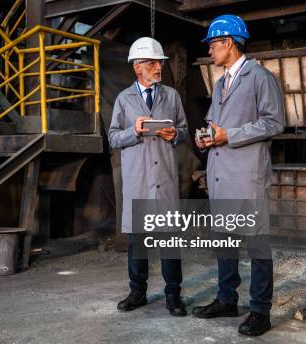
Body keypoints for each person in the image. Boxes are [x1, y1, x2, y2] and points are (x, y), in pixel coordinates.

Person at [193, 14, 285, 336]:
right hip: (220, 175)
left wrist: (227, 135)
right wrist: (204, 137)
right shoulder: (220, 83)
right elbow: (214, 124)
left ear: (229, 42)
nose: (210, 51)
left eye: (213, 45)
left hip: (247, 176)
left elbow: (274, 123)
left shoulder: (260, 77)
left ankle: (260, 311)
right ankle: (227, 299)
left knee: (257, 244)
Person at [108, 37, 189, 316]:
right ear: (137, 67)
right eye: (153, 63)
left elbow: (184, 130)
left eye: (160, 62)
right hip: (138, 182)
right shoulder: (123, 99)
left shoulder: (172, 96)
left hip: (164, 180)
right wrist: (135, 131)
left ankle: (173, 296)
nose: (159, 67)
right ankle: (137, 293)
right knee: (137, 243)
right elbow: (113, 137)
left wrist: (175, 134)